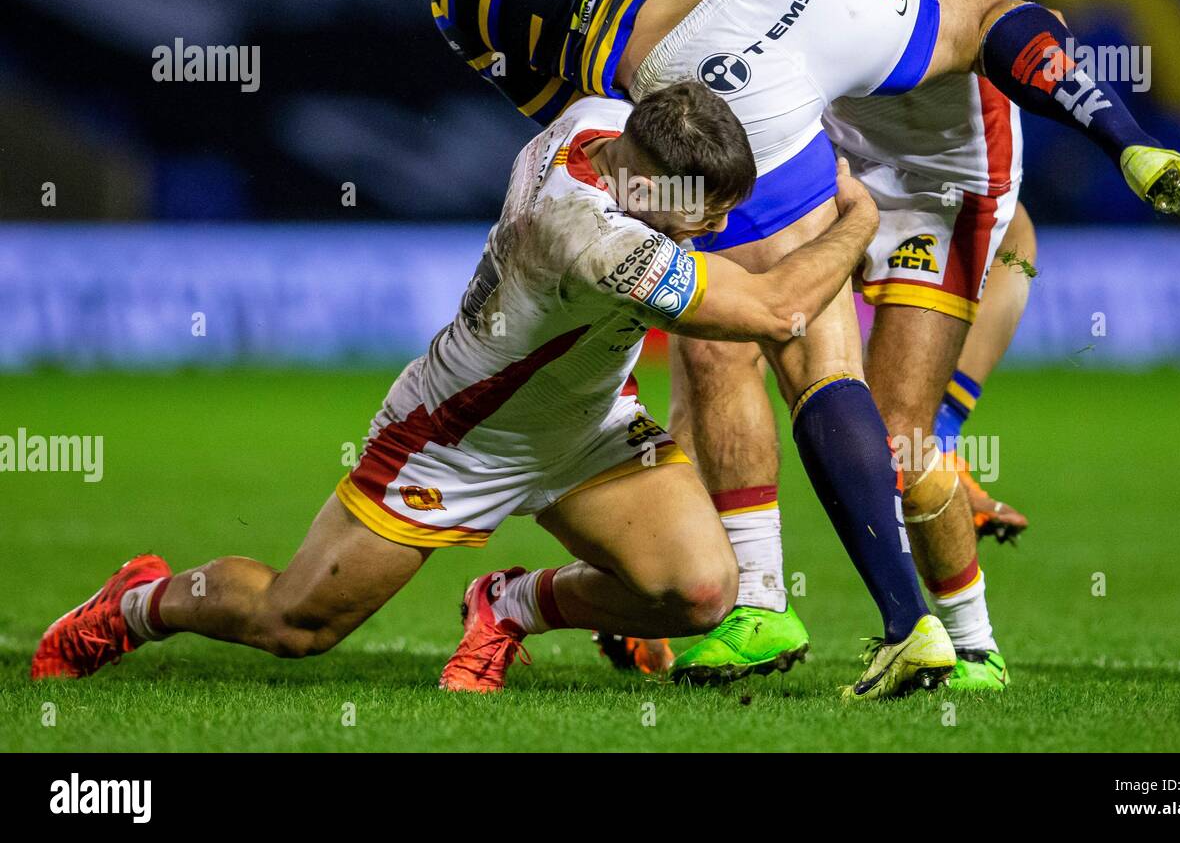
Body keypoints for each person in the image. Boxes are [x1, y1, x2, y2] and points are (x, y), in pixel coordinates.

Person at [405, 0, 1180, 698]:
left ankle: (929, 625)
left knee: (843, 389)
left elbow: (599, 100)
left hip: (910, 159)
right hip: (823, 56)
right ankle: (778, 600)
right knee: (974, 20)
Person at [32, 83, 947, 699]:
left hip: (586, 425)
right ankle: (135, 603)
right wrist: (859, 218)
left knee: (700, 597)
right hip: (454, 440)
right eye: (700, 211)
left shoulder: (605, 118)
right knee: (294, 627)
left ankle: (511, 604)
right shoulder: (593, 237)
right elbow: (777, 310)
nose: (712, 227)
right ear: (646, 184)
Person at [667, 0, 1034, 690]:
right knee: (714, 338)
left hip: (937, 182)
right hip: (830, 154)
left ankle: (972, 642)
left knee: (902, 429)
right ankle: (750, 601)